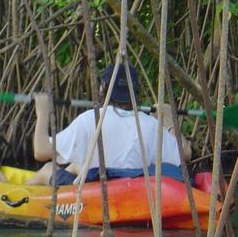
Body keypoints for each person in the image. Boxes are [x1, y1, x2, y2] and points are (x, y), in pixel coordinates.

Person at [25, 63, 191, 186]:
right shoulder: (150, 125)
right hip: (132, 187)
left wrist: (43, 113)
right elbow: (185, 154)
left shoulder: (90, 119)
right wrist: (168, 118)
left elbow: (40, 151)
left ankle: (21, 192)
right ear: (135, 92)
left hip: (95, 189)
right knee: (76, 165)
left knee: (47, 168)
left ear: (103, 88)